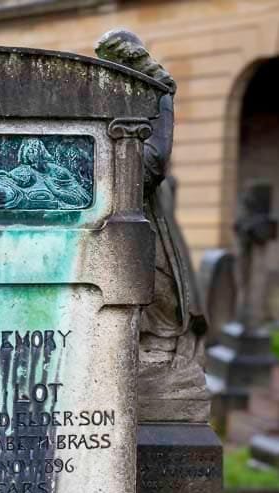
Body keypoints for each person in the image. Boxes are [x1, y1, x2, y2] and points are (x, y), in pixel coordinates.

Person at [95, 29, 210, 422]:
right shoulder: (103, 95)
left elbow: (154, 163)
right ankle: (132, 350)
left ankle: (159, 352)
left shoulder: (155, 95)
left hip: (141, 212)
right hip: (106, 214)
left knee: (161, 284)